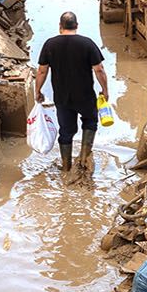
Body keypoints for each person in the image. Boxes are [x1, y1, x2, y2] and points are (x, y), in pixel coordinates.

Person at [35, 12, 110, 174]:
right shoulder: (87, 44)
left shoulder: (50, 44)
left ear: (60, 27)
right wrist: (105, 89)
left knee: (66, 131)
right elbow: (99, 69)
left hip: (62, 97)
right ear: (77, 25)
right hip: (85, 96)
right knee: (90, 122)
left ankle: (66, 167)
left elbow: (42, 71)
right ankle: (83, 160)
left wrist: (38, 91)